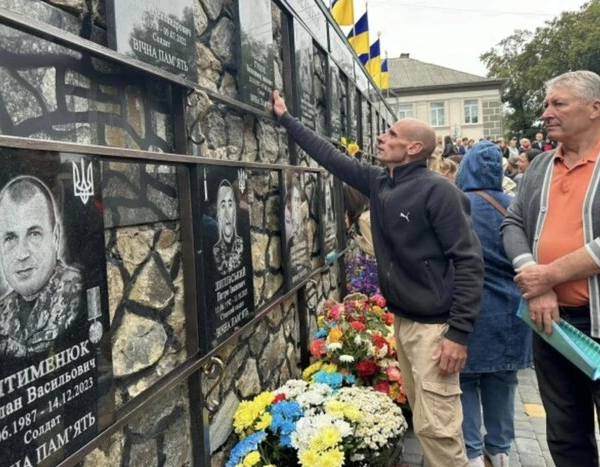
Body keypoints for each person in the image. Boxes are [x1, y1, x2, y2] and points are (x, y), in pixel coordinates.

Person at [273, 89, 484, 467]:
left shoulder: (438, 192)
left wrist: (459, 334)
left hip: (434, 328)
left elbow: (468, 261)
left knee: (440, 428)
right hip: (405, 321)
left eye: (391, 136)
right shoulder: (381, 182)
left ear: (414, 148)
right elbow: (332, 157)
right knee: (425, 419)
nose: (381, 139)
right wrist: (287, 119)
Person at [502, 70, 600, 466]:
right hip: (552, 326)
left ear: (595, 108)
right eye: (546, 104)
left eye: (558, 103)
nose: (545, 112)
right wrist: (537, 281)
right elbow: (513, 224)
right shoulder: (541, 165)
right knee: (565, 439)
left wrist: (548, 275)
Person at [456, 141, 532, 467]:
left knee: (463, 383)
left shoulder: (458, 206)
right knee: (504, 382)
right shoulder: (516, 206)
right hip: (513, 314)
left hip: (468, 312)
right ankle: (499, 452)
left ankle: (471, 453)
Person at [0, 176, 82, 358]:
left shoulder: (77, 294)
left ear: (55, 237)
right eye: (10, 238)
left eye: (34, 234)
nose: (22, 254)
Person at [213, 180, 243, 275]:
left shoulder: (241, 244)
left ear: (234, 210)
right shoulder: (216, 251)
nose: (227, 214)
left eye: (230, 205)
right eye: (222, 206)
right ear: (218, 214)